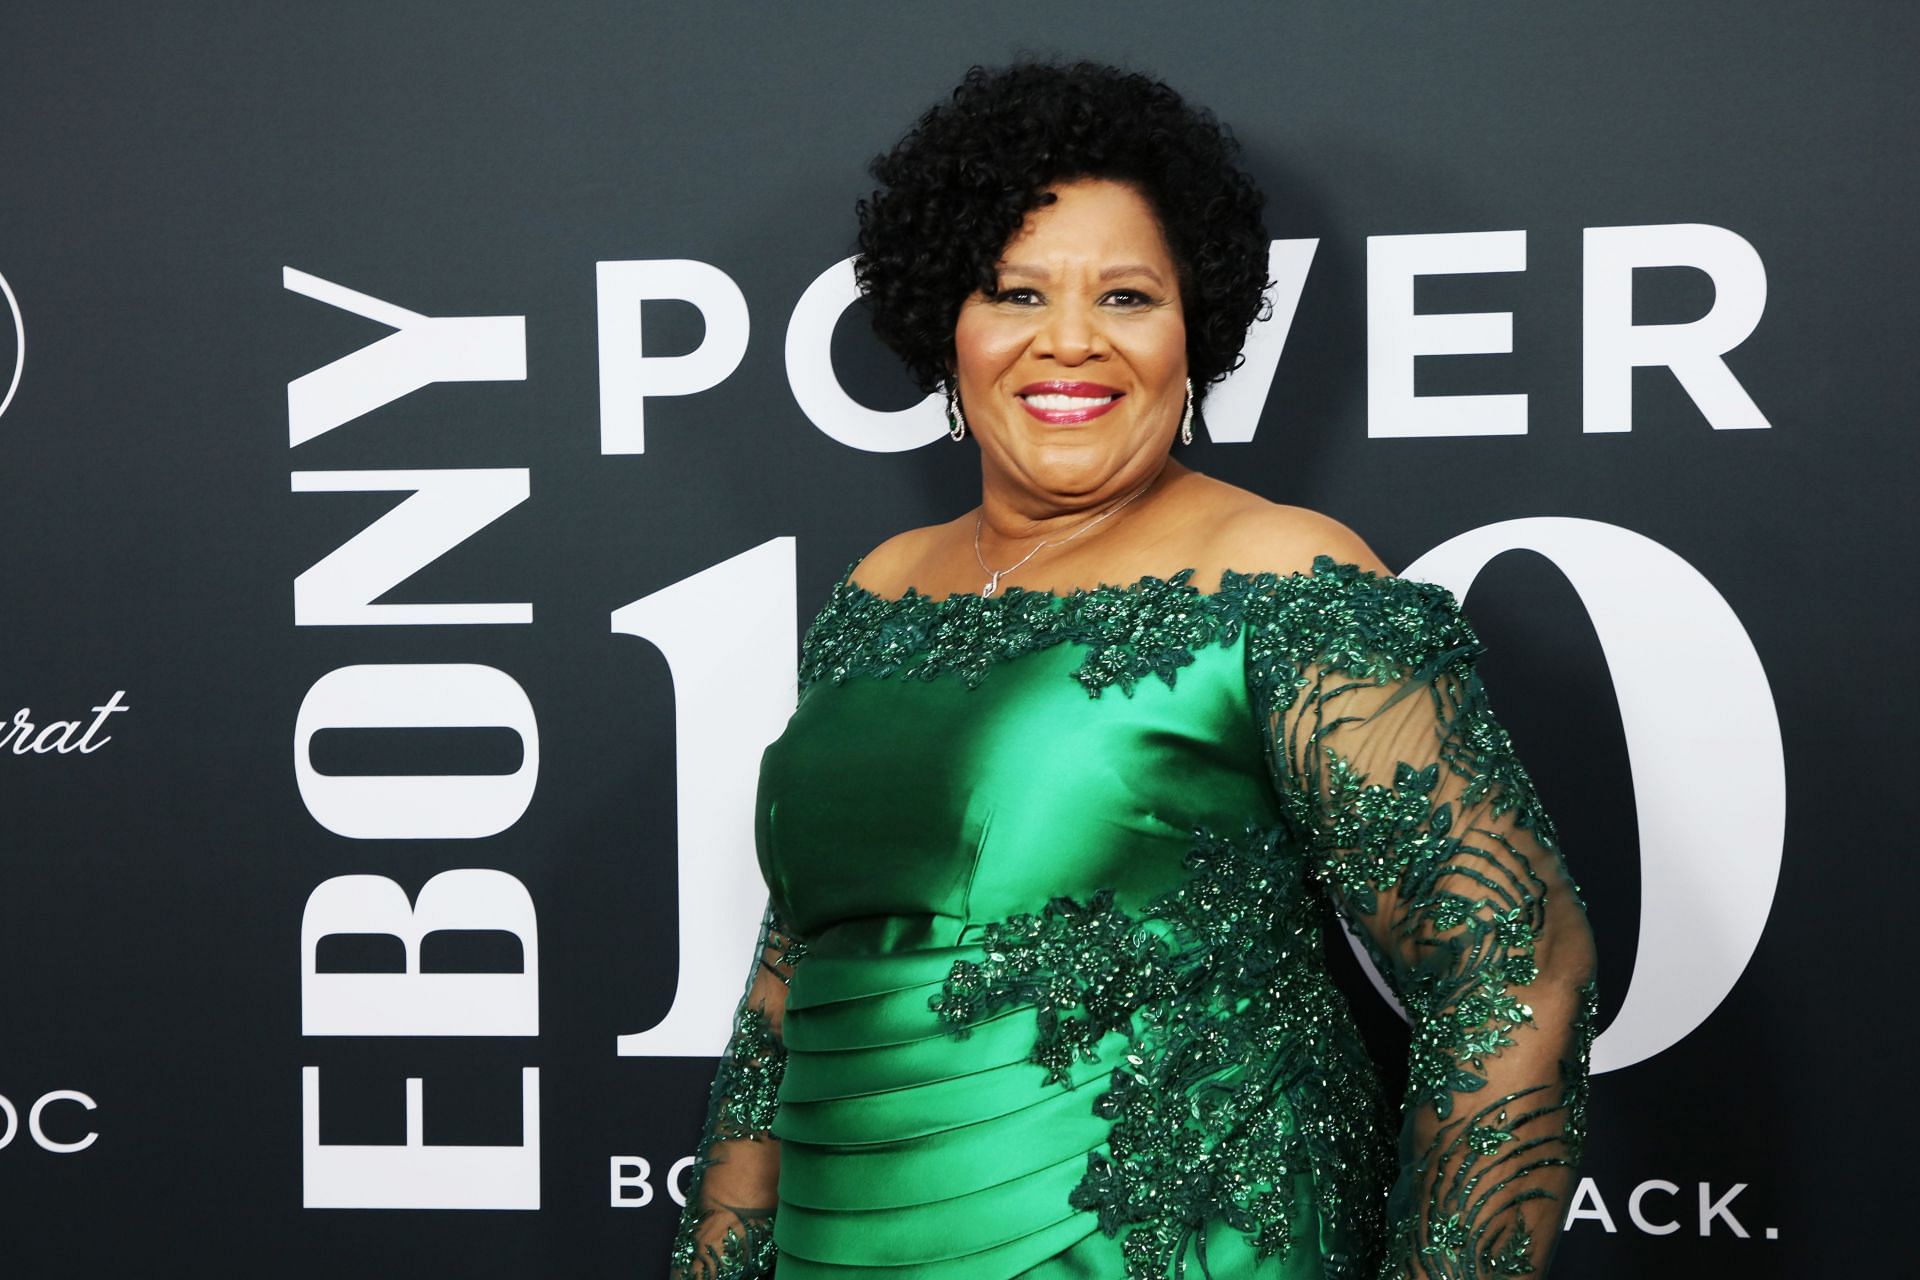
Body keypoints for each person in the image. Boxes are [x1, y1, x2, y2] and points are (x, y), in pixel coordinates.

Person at [670, 60, 1599, 1280]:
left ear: (1192, 326)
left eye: (1125, 295)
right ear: (944, 320)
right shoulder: (880, 587)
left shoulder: (1280, 574)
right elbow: (786, 989)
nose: (1071, 342)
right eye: (1017, 291)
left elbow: (1515, 960)